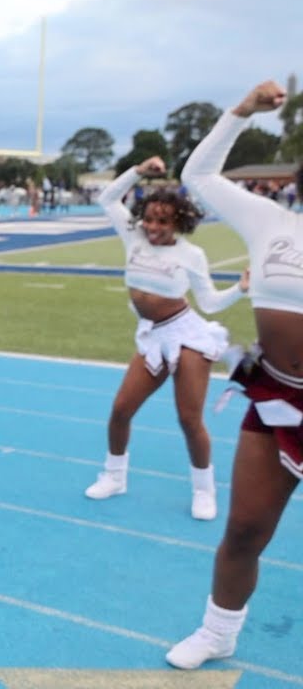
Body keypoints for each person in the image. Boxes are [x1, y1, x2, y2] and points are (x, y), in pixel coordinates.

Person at [167, 80, 303, 671]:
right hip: (277, 399)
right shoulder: (271, 220)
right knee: (245, 529)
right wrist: (241, 112)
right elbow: (197, 178)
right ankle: (218, 631)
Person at [83, 156, 247, 520]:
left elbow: (209, 302)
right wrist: (138, 171)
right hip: (151, 335)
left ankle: (204, 491)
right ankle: (114, 476)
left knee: (189, 420)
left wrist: (240, 288)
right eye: (150, 218)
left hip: (186, 334)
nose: (153, 226)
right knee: (121, 410)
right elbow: (108, 200)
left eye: (163, 221)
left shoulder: (192, 255)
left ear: (179, 222)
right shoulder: (134, 237)